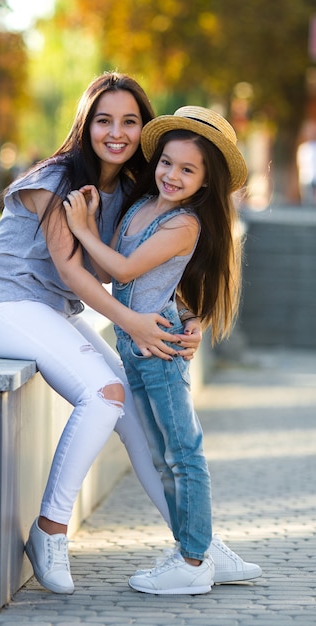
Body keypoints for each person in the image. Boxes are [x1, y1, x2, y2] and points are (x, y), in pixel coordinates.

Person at [0, 73, 261, 595]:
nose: (117, 132)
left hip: (53, 312)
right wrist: (132, 323)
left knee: (138, 425)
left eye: (130, 121)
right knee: (105, 396)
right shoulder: (57, 182)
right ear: (86, 125)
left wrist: (186, 319)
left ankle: (197, 544)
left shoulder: (130, 189)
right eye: (104, 120)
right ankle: (49, 530)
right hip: (6, 305)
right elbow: (76, 269)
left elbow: (154, 261)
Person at [63, 106, 257, 594]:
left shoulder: (185, 225)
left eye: (188, 170)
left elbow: (123, 270)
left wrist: (84, 230)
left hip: (161, 349)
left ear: (205, 182)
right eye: (168, 162)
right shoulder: (143, 206)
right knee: (158, 453)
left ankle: (193, 563)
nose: (172, 175)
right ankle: (201, 546)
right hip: (136, 345)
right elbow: (119, 271)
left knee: (182, 451)